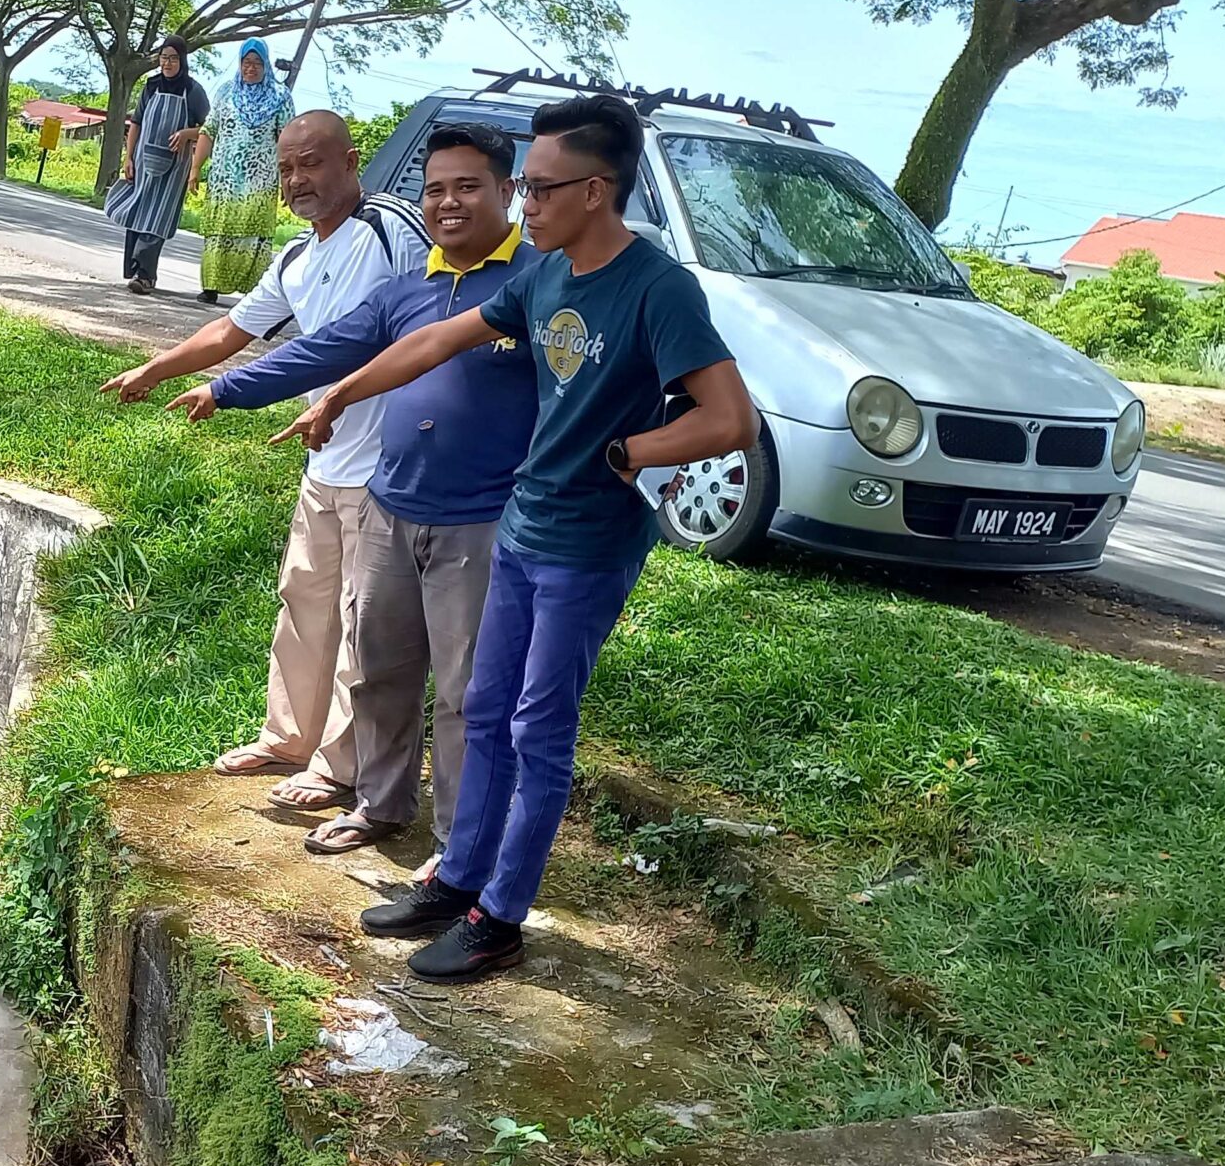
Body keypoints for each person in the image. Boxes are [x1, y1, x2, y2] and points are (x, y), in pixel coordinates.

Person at [286, 94, 758, 984]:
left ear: (596, 190)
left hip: (588, 544)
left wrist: (629, 452)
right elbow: (436, 341)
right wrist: (343, 393)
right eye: (527, 187)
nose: (524, 204)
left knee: (540, 726)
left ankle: (500, 917)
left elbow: (730, 419)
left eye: (539, 189)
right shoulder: (543, 278)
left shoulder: (657, 288)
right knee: (487, 709)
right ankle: (459, 878)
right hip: (521, 528)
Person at [168, 124, 538, 859]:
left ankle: (461, 845)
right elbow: (322, 349)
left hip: (483, 518)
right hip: (393, 503)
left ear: (507, 191)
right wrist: (225, 389)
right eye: (435, 189)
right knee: (378, 670)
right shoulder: (411, 289)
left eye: (467, 187)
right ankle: (379, 804)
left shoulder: (535, 283)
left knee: (466, 691)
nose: (448, 202)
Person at [103, 111, 429, 814]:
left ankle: (340, 766)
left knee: (363, 623)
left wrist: (243, 391)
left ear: (351, 161)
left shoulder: (391, 230)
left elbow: (409, 329)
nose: (297, 180)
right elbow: (232, 327)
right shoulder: (296, 257)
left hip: (386, 465)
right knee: (304, 604)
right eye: (285, 169)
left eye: (311, 164)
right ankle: (288, 739)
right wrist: (155, 369)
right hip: (324, 461)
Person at [193, 38, 296, 304]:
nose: (251, 68)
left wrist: (288, 177)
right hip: (224, 180)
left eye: (257, 63)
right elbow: (209, 130)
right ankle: (211, 287)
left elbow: (287, 140)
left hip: (260, 181)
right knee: (220, 229)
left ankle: (253, 293)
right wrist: (195, 168)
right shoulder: (226, 92)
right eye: (246, 62)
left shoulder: (280, 96)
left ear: (266, 65)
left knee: (253, 233)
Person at [110, 35, 210, 295]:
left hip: (174, 167)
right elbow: (136, 123)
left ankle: (145, 276)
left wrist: (187, 134)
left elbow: (209, 128)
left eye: (173, 58)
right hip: (143, 161)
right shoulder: (151, 86)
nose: (167, 63)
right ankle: (136, 270)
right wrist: (128, 157)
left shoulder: (193, 90)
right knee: (137, 212)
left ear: (182, 60)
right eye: (164, 58)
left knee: (158, 217)